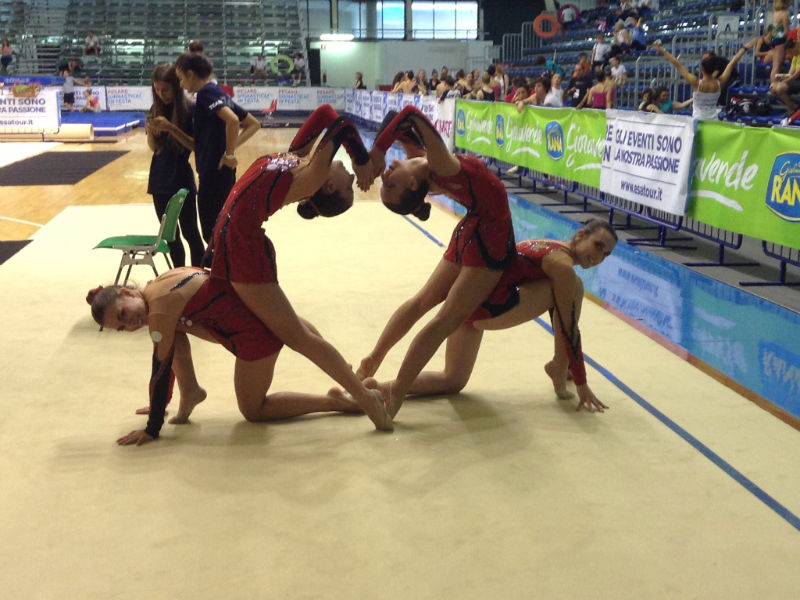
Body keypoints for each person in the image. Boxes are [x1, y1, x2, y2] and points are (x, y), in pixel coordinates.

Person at [203, 102, 393, 431]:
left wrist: (363, 160)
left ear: (328, 187)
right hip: (232, 241)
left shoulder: (308, 177)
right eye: (353, 182)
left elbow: (344, 125)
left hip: (240, 245)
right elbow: (326, 115)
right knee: (294, 328)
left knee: (297, 336)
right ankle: (351, 383)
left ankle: (364, 399)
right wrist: (364, 159)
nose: (350, 175)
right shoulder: (299, 159)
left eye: (349, 184)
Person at [334, 220, 617, 414]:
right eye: (598, 245)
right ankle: (560, 367)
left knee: (453, 380)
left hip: (469, 302)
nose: (599, 256)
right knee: (572, 290)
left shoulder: (552, 245)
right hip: (486, 308)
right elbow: (569, 327)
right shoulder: (563, 265)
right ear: (581, 235)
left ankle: (372, 392)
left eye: (606, 253)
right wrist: (581, 382)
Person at [357, 105, 516, 418]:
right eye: (390, 185)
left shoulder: (416, 156)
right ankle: (393, 388)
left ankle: (374, 369)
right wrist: (378, 151)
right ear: (413, 186)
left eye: (385, 183)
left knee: (425, 307)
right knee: (442, 317)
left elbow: (395, 116)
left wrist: (374, 152)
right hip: (489, 233)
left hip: (474, 225)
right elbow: (411, 112)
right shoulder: (439, 164)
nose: (385, 176)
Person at [86, 268, 364, 446]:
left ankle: (333, 402)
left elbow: (159, 367)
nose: (131, 323)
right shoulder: (158, 283)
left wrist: (152, 427)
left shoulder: (159, 311)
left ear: (126, 292)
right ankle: (191, 392)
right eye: (122, 328)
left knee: (254, 411)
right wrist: (160, 401)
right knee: (177, 334)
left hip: (255, 336)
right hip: (265, 306)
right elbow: (170, 351)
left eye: (124, 314)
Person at [174, 52, 260, 243]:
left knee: (213, 233)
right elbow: (253, 124)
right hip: (220, 174)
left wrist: (229, 153)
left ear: (190, 74)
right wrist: (227, 149)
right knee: (220, 230)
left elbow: (233, 121)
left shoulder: (206, 93)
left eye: (180, 79)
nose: (180, 85)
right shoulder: (217, 91)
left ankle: (223, 272)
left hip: (214, 175)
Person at [145, 64, 205, 268]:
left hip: (181, 179)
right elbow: (155, 148)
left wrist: (170, 128)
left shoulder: (190, 110)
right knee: (170, 237)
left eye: (166, 90)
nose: (161, 94)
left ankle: (198, 277)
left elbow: (196, 146)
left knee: (191, 234)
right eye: (157, 90)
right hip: (159, 180)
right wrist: (152, 132)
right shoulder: (155, 109)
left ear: (177, 87)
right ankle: (179, 277)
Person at [652, 37, 757, 120]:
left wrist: (662, 49)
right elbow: (733, 62)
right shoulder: (719, 82)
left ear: (702, 69)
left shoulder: (695, 82)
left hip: (698, 121)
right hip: (713, 120)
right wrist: (745, 48)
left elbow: (677, 64)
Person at [770, 40, 800, 113]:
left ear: (794, 48)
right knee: (773, 87)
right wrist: (779, 77)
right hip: (795, 80)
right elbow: (790, 73)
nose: (790, 54)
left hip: (798, 79)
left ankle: (791, 110)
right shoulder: (795, 57)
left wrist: (784, 81)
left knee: (780, 88)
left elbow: (797, 74)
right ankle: (794, 106)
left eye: (790, 51)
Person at [770, 0, 791, 83]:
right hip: (780, 40)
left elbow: (774, 30)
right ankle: (774, 86)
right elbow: (786, 31)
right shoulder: (784, 14)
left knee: (775, 66)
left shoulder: (775, 13)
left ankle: (773, 85)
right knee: (777, 67)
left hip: (774, 39)